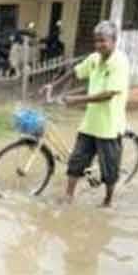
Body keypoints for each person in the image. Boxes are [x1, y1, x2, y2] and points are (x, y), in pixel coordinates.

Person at [43, 20, 130, 208]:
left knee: (109, 168)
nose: (98, 45)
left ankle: (108, 201)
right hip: (90, 123)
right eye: (96, 41)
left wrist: (77, 100)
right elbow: (75, 72)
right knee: (76, 161)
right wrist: (54, 85)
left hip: (109, 126)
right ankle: (68, 196)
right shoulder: (95, 59)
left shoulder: (119, 63)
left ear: (114, 41)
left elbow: (108, 95)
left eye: (103, 41)